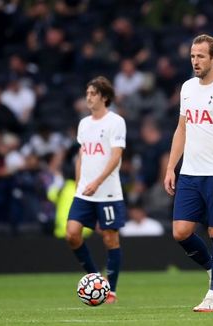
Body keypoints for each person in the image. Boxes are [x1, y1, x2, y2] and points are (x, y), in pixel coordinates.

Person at [163, 34, 213, 312]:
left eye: (200, 56)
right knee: (180, 232)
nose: (195, 61)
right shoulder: (187, 88)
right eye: (192, 56)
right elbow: (182, 129)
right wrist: (171, 167)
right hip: (190, 174)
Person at [65, 76, 127, 304]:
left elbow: (116, 156)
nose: (88, 97)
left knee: (110, 239)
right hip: (84, 191)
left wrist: (97, 182)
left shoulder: (115, 121)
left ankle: (111, 290)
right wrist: (79, 182)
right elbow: (82, 155)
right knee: (71, 234)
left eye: (92, 93)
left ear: (104, 97)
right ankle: (94, 277)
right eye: (87, 93)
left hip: (108, 191)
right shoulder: (84, 124)